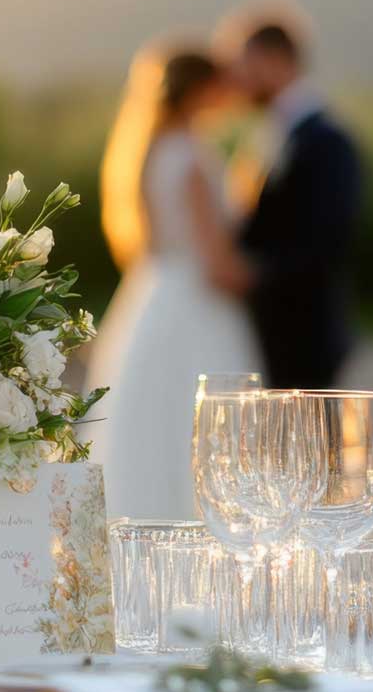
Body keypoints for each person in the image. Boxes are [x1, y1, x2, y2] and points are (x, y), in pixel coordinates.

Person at [86, 44, 260, 520]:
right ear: (202, 90)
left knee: (148, 427)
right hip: (196, 306)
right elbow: (218, 264)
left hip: (151, 297)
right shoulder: (192, 158)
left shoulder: (149, 152)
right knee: (205, 432)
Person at [226, 13, 363, 389]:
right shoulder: (272, 131)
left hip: (306, 332)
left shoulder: (327, 140)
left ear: (276, 59)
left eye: (245, 64)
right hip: (270, 333)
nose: (237, 77)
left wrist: (254, 276)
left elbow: (328, 238)